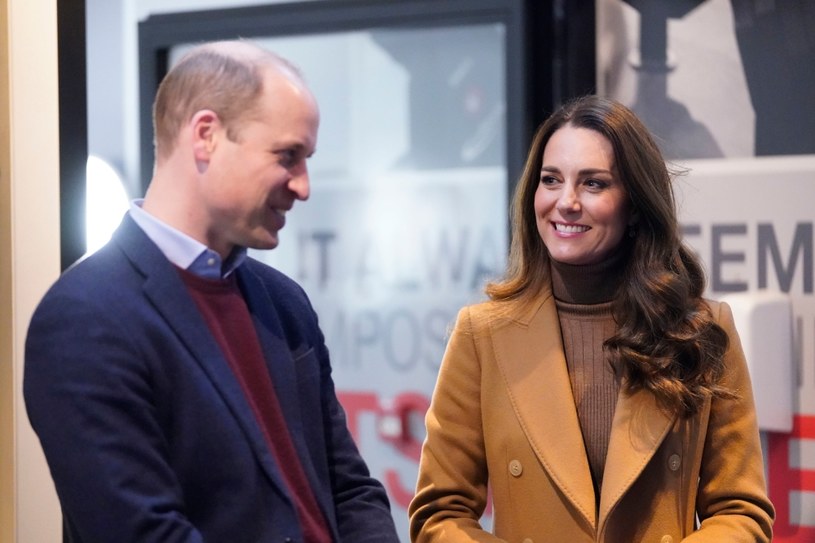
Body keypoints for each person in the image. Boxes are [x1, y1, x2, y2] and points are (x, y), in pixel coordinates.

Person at [24, 40, 399, 543]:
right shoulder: (84, 318)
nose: (304, 186)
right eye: (288, 156)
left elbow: (350, 490)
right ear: (206, 136)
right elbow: (142, 531)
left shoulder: (283, 303)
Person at [409, 95, 774, 542]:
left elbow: (741, 511)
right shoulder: (483, 334)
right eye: (550, 180)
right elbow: (439, 513)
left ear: (635, 205)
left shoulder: (700, 330)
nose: (566, 202)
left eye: (593, 184)